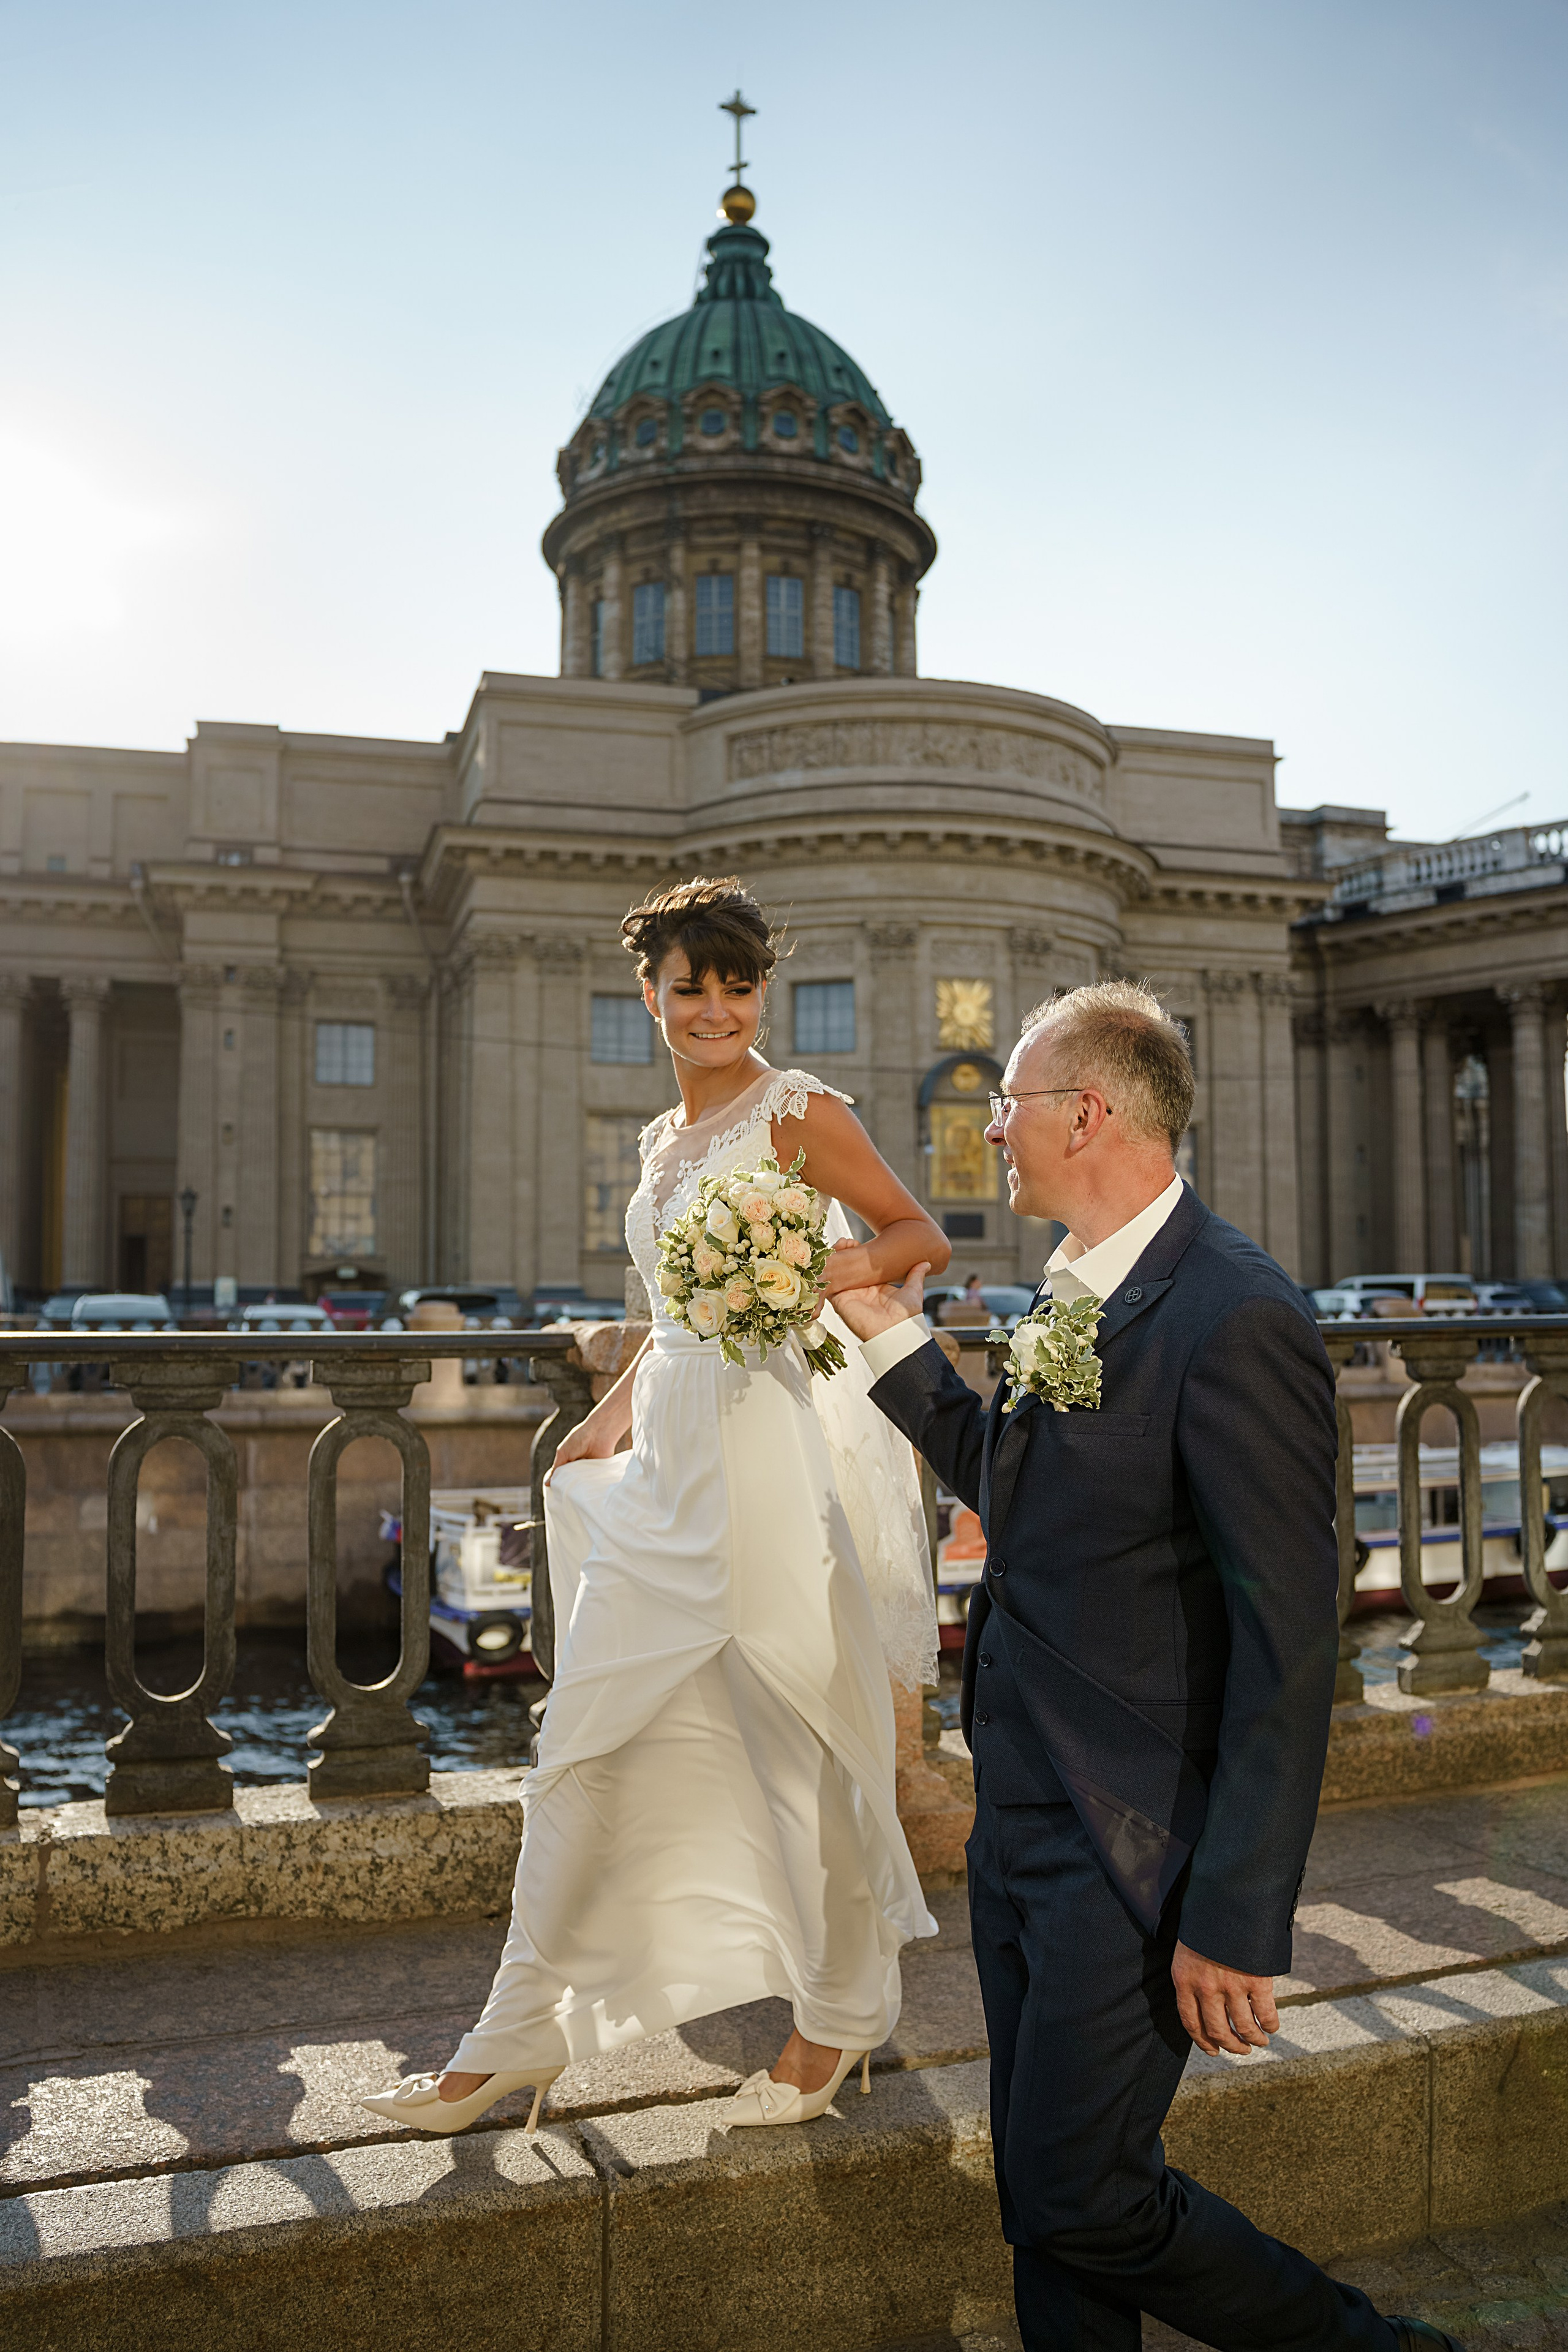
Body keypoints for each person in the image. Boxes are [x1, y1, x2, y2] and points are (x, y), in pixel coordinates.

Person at [831, 980, 1462, 2352]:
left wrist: (1234, 1914)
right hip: (1020, 1815)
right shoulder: (1071, 1290)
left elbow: (1291, 1641)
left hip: (1135, 1842)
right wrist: (882, 1328)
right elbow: (1016, 1483)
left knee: (1077, 2193)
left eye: (1005, 1102)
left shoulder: (1231, 1315)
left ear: (1085, 1110)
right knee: (1046, 2191)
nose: (989, 1130)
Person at [361, 877, 951, 2137]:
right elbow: (677, 1311)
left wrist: (811, 1272)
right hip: (668, 1459)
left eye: (738, 987)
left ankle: (836, 2017)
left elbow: (917, 1236)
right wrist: (608, 1415)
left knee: (804, 1743)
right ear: (652, 994)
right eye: (692, 988)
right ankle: (512, 2039)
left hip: (762, 1464)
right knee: (578, 1751)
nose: (716, 1010)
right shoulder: (658, 1142)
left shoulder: (800, 1114)